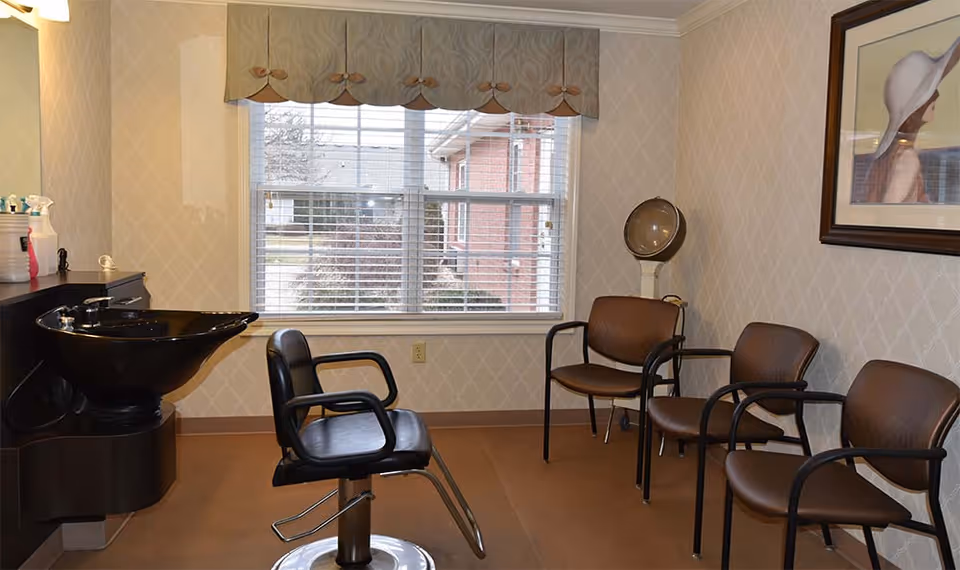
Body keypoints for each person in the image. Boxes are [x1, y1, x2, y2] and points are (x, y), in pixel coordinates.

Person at [864, 36, 960, 204]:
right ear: (916, 107)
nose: (937, 96)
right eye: (930, 93)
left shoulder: (889, 159)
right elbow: (887, 212)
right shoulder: (908, 159)